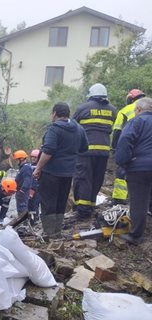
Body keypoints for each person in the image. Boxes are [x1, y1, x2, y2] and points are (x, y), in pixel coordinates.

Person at [33, 102, 88, 239]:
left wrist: (38, 168)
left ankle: (48, 232)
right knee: (61, 201)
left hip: (51, 172)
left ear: (55, 114)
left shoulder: (54, 129)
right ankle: (57, 231)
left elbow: (48, 151)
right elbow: (84, 148)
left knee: (48, 202)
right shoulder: (79, 129)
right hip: (68, 173)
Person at [72, 83, 116, 219]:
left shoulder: (83, 108)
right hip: (103, 152)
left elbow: (73, 126)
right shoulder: (113, 110)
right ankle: (90, 206)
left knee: (84, 178)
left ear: (91, 94)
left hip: (86, 151)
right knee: (97, 179)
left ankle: (83, 210)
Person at [115, 97, 152, 245]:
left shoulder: (136, 122)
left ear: (138, 110)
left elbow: (125, 141)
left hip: (139, 168)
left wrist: (122, 162)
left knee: (139, 202)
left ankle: (136, 235)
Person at [111, 89, 146, 205]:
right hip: (146, 147)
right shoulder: (149, 109)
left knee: (122, 170)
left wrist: (115, 149)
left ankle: (119, 199)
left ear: (130, 99)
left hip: (129, 145)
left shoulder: (124, 111)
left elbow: (117, 130)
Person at [12, 150, 32, 215]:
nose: (16, 162)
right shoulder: (23, 168)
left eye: (17, 160)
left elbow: (27, 181)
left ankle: (24, 223)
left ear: (21, 159)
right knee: (20, 208)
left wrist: (22, 191)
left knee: (22, 208)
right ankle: (22, 222)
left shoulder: (26, 168)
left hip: (22, 192)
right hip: (20, 191)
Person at [28, 149, 41, 223]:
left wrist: (33, 190)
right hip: (29, 189)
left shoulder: (40, 167)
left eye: (35, 157)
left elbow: (36, 180)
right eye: (32, 157)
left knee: (35, 205)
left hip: (37, 189)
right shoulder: (29, 166)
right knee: (29, 205)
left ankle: (35, 220)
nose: (33, 159)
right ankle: (30, 220)